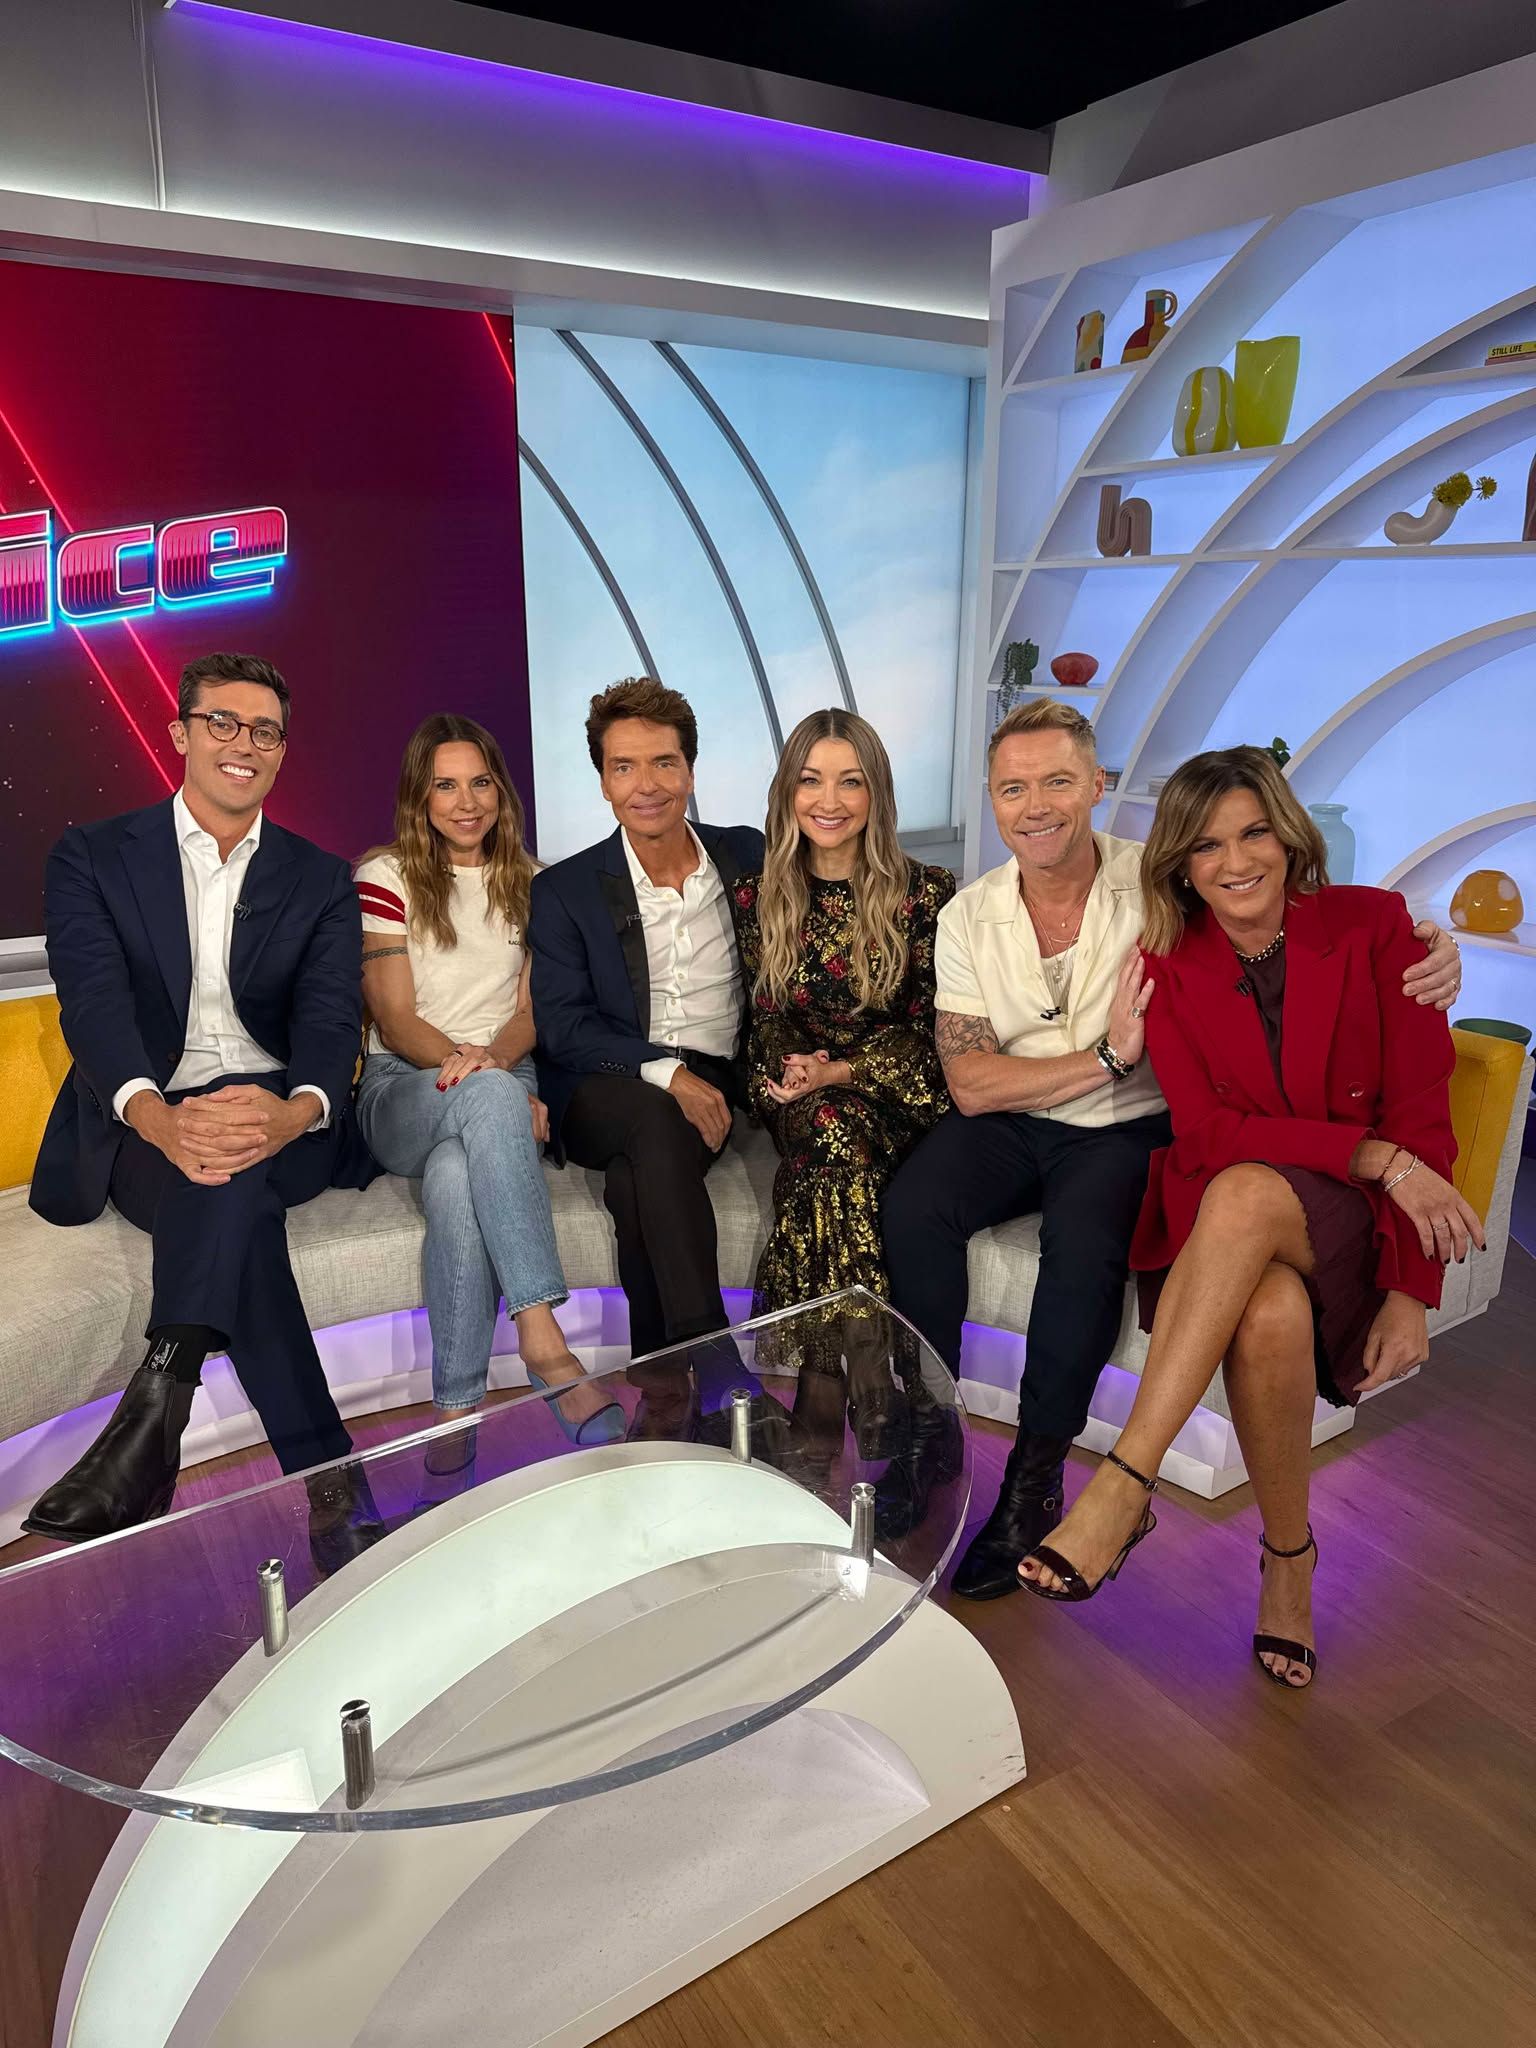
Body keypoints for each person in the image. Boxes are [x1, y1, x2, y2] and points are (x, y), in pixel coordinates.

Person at [882, 700, 1463, 1604]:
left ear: (1097, 785)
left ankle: (1052, 1482)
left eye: (1058, 781)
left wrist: (1432, 946)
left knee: (1089, 1245)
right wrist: (1104, 1058)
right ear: (990, 800)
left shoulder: (1178, 894)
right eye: (1013, 788)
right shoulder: (999, 919)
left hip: (1137, 1130)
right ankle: (929, 1434)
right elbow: (977, 1084)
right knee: (916, 1205)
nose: (1036, 806)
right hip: (1054, 1124)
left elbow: (1400, 1075)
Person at [1017, 747, 1482, 1685]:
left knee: (1243, 1192)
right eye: (1206, 845)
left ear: (1288, 835)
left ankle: (1124, 1483)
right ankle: (1289, 1564)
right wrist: (1371, 1154)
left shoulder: (1379, 929)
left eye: (1253, 832)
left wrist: (1410, 1291)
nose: (1235, 862)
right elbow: (1210, 1131)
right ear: (1181, 866)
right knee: (1267, 1310)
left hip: (1352, 1218)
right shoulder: (1167, 962)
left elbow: (1422, 1116)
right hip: (1245, 1213)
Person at [24, 652, 383, 1572]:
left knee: (233, 1166)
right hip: (143, 1114)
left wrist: (294, 1112)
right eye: (222, 722)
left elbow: (329, 1021)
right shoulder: (93, 856)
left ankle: (154, 1418)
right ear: (180, 733)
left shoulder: (318, 877)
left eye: (265, 730)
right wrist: (159, 1119)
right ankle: (333, 1479)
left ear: (281, 751)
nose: (243, 744)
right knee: (230, 1193)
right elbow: (93, 1008)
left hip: (282, 1115)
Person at [354, 715, 622, 1483]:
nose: (466, 802)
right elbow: (396, 1020)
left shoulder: (537, 885)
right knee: (488, 1104)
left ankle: (455, 1408)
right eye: (445, 785)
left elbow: (533, 1013)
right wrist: (485, 1076)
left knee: (453, 1179)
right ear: (420, 796)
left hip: (502, 1077)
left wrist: (496, 1067)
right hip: (405, 1086)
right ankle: (544, 1339)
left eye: (480, 783)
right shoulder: (384, 876)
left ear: (501, 792)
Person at [527, 677, 765, 1432]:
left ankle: (663, 1386)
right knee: (654, 1118)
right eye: (624, 767)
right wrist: (668, 1073)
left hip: (715, 1071)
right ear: (602, 781)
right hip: (605, 1081)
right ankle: (719, 1364)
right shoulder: (566, 889)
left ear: (689, 769)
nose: (647, 785)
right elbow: (563, 1025)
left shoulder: (748, 856)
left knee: (638, 1183)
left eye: (664, 762)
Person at [731, 709, 953, 1463]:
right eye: (811, 780)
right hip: (801, 1095)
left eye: (850, 782)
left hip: (893, 1094)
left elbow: (931, 1033)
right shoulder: (757, 897)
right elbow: (763, 1023)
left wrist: (842, 1072)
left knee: (833, 1146)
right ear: (787, 791)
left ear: (875, 793)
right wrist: (797, 1072)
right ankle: (872, 1373)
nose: (829, 801)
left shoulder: (925, 895)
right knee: (828, 1128)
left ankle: (822, 1397)